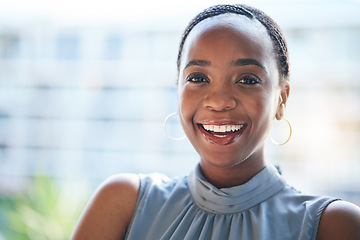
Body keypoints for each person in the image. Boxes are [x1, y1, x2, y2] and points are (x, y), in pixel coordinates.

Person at [72, 4, 360, 240]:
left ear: (281, 99)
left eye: (247, 80)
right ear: (178, 91)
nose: (219, 100)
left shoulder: (333, 225)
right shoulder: (123, 203)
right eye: (198, 78)